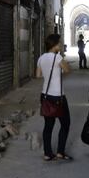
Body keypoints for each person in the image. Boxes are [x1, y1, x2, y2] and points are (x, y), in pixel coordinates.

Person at [36, 33, 72, 161]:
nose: (60, 45)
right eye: (59, 43)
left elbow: (38, 75)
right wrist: (63, 64)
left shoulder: (41, 58)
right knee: (65, 123)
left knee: (48, 126)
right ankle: (60, 152)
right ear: (54, 45)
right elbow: (67, 70)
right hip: (58, 96)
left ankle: (47, 153)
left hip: (45, 95)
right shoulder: (57, 58)